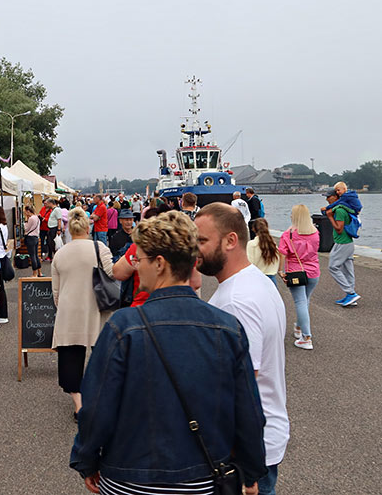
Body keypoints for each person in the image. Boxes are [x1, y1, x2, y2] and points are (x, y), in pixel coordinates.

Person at [70, 211, 266, 494]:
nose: (137, 266)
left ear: (160, 264)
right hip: (203, 479)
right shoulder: (226, 327)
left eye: (142, 259)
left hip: (130, 477)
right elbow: (247, 410)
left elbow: (97, 407)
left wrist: (86, 460)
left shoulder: (123, 327)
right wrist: (251, 470)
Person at [195, 202, 289, 495]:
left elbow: (240, 385)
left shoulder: (236, 300)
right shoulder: (256, 282)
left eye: (202, 241)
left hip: (245, 447)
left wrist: (244, 465)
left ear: (231, 240)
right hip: (263, 435)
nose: (195, 249)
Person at [51, 207, 114, 420]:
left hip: (69, 309)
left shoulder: (60, 254)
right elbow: (113, 274)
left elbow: (56, 293)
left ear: (69, 228)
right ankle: (99, 398)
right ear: (88, 227)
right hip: (97, 306)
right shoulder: (100, 248)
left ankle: (79, 405)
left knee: (70, 357)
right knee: (101, 355)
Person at [278, 205, 320, 350]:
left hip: (295, 272)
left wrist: (280, 271)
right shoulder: (315, 233)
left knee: (300, 302)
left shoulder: (288, 234)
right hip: (314, 271)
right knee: (305, 301)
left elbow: (282, 254)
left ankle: (306, 337)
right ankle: (299, 327)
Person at [324, 189, 361, 306]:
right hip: (348, 242)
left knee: (333, 267)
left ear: (335, 197)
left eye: (328, 196)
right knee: (348, 269)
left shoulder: (339, 210)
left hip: (342, 243)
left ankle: (350, 293)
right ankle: (351, 297)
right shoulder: (344, 208)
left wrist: (330, 217)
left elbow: (339, 229)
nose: (326, 199)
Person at [247, 218, 280, 285]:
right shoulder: (273, 244)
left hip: (257, 278)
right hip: (271, 278)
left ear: (253, 229)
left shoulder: (252, 244)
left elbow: (249, 263)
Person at [24, 206, 42, 277]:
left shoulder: (31, 218)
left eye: (25, 211)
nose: (25, 213)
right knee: (36, 255)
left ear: (28, 211)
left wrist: (25, 223)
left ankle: (34, 273)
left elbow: (26, 229)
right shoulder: (37, 218)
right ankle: (39, 272)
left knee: (32, 256)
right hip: (36, 237)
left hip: (30, 238)